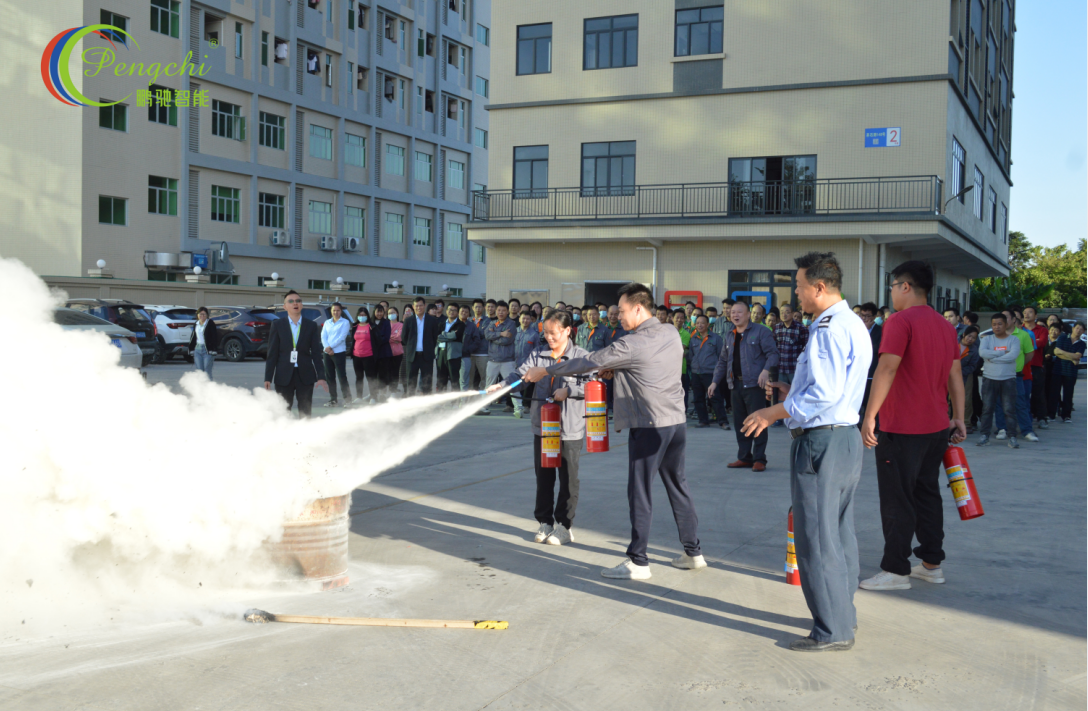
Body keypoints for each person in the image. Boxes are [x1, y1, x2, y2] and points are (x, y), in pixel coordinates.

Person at [521, 282, 704, 580]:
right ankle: (693, 552)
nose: (616, 315)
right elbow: (650, 365)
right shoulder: (670, 331)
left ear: (638, 308)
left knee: (640, 492)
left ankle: (638, 561)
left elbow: (589, 361)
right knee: (678, 486)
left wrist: (547, 370)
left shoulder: (630, 344)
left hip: (649, 426)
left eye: (621, 310)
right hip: (676, 423)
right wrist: (620, 369)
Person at [740, 251, 871, 652]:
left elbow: (824, 394)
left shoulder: (828, 328)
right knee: (839, 532)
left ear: (819, 287)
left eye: (798, 286)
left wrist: (773, 412)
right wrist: (791, 392)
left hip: (821, 442)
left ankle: (832, 630)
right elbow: (830, 388)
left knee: (816, 536)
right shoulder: (851, 323)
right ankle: (842, 613)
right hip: (844, 437)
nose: (795, 294)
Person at [859, 261, 965, 592]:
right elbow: (955, 375)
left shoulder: (899, 321)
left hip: (902, 427)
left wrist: (870, 415)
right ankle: (932, 564)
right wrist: (959, 416)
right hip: (936, 426)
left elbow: (887, 369)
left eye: (892, 286)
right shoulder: (945, 326)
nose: (891, 292)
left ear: (905, 286)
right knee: (927, 494)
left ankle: (895, 570)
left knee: (897, 499)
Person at [489, 310, 588, 546]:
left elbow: (593, 384)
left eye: (554, 333)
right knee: (544, 476)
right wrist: (503, 386)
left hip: (570, 428)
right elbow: (521, 375)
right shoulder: (538, 354)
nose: (549, 338)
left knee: (568, 479)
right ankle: (545, 522)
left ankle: (564, 526)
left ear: (567, 331)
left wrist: (569, 391)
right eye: (546, 333)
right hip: (543, 426)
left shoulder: (582, 357)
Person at [708, 301, 780, 472]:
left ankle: (759, 459)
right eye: (733, 312)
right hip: (735, 384)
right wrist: (714, 382)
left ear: (748, 314)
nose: (735, 315)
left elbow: (773, 354)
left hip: (755, 385)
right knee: (740, 423)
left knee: (758, 421)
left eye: (739, 312)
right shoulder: (730, 335)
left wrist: (765, 371)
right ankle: (744, 457)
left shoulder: (761, 331)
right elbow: (723, 361)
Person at [264, 291, 328, 417]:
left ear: (301, 305)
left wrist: (321, 376)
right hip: (283, 375)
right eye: (291, 301)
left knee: (305, 411)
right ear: (285, 306)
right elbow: (272, 353)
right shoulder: (277, 325)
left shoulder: (311, 325)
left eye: (298, 301)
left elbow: (316, 353)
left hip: (305, 375)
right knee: (283, 412)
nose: (295, 304)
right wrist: (268, 377)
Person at [976, 314, 1021, 447]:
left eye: (1000, 324)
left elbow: (1012, 356)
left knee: (1009, 410)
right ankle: (984, 436)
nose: (997, 327)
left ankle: (1012, 437)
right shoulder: (987, 339)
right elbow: (982, 353)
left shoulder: (1014, 340)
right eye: (994, 324)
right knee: (987, 409)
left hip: (1008, 379)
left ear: (1006, 324)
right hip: (989, 378)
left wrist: (993, 358)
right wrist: (1002, 353)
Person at [993, 307, 1037, 442]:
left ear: (1013, 319)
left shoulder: (1024, 335)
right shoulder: (995, 335)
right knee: (999, 403)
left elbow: (1029, 354)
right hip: (998, 374)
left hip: (1015, 374)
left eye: (1006, 317)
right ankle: (1002, 429)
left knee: (1020, 403)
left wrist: (1019, 364)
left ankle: (1027, 431)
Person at [687, 315, 729, 429]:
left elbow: (721, 356)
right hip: (696, 373)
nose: (699, 325)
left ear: (708, 325)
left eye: (702, 323)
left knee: (715, 398)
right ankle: (703, 420)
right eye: (697, 323)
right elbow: (691, 355)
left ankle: (723, 421)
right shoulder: (693, 338)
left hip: (710, 373)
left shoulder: (716, 338)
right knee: (698, 398)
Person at [773, 303, 810, 426]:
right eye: (782, 312)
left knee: (796, 392)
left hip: (795, 368)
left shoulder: (800, 328)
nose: (784, 314)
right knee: (780, 393)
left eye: (787, 312)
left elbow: (807, 347)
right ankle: (779, 418)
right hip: (780, 367)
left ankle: (795, 416)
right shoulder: (777, 328)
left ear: (793, 314)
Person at [482, 301, 518, 414]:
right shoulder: (492, 323)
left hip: (507, 361)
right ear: (496, 311)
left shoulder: (511, 324)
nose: (501, 312)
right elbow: (487, 335)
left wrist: (494, 336)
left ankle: (519, 408)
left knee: (512, 385)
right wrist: (501, 333)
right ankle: (483, 407)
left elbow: (506, 341)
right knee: (489, 385)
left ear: (507, 312)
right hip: (493, 360)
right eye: (499, 310)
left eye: (503, 310)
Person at [402, 297, 442, 395]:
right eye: (416, 306)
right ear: (413, 307)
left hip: (426, 356)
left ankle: (426, 402)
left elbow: (434, 337)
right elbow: (404, 338)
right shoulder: (408, 320)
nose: (419, 308)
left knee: (427, 382)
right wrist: (412, 347)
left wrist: (429, 348)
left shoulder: (432, 320)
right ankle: (410, 401)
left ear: (425, 306)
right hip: (412, 356)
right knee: (411, 382)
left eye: (421, 305)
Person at [1021, 306, 1051, 428]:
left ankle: (1042, 418)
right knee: (1022, 393)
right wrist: (1034, 341)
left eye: (1030, 312)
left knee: (1038, 392)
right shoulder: (1019, 329)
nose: (1027, 314)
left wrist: (1026, 343)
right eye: (1025, 312)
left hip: (1036, 365)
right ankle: (1024, 418)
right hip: (1022, 365)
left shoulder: (1042, 330)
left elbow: (1042, 342)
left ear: (1036, 315)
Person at [1053, 322, 1085, 422]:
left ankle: (1066, 415)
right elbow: (1056, 352)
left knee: (1068, 394)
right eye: (1077, 328)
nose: (1078, 331)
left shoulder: (1082, 344)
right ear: (1073, 328)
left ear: (1083, 331)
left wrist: (1062, 353)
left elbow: (1077, 356)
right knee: (1054, 393)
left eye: (1081, 329)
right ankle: (1051, 414)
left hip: (1071, 371)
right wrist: (1071, 358)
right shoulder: (1063, 337)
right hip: (1058, 369)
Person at [320, 303, 352, 407]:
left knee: (342, 376)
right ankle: (333, 399)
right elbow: (323, 336)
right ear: (331, 311)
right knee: (330, 377)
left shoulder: (345, 322)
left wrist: (330, 347)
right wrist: (327, 348)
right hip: (327, 353)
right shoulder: (327, 322)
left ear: (341, 311)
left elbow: (342, 337)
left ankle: (348, 399)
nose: (336, 312)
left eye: (338, 310)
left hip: (338, 353)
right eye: (334, 310)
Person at [510, 311, 541, 417]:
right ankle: (511, 405)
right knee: (513, 383)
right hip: (512, 362)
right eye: (523, 318)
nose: (525, 321)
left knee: (527, 385)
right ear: (519, 319)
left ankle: (526, 405)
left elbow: (537, 350)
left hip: (527, 364)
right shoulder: (514, 331)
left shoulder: (534, 334)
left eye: (528, 319)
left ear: (531, 320)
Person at [857, 303, 882, 414]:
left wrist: (866, 331)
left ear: (874, 317)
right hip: (859, 373)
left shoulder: (880, 330)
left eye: (868, 316)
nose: (864, 318)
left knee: (869, 404)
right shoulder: (857, 329)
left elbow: (876, 348)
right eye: (862, 315)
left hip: (872, 373)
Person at [462, 299, 491, 396]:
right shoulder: (468, 320)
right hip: (469, 354)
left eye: (480, 307)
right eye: (476, 307)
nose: (478, 309)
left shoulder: (487, 321)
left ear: (483, 308)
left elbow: (485, 334)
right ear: (472, 308)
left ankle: (484, 398)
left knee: (484, 377)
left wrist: (472, 333)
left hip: (483, 353)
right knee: (469, 378)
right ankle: (469, 398)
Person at [435, 302, 466, 393]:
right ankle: (441, 398)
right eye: (450, 310)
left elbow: (455, 336)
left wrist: (443, 334)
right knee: (441, 379)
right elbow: (437, 337)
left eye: (454, 310)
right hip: (441, 353)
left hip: (453, 355)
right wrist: (449, 335)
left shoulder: (460, 324)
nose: (451, 312)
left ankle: (455, 400)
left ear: (458, 312)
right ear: (446, 311)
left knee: (454, 379)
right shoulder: (441, 323)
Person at [603, 306, 627, 416]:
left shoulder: (624, 329)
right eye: (611, 314)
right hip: (606, 363)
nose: (613, 316)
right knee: (606, 388)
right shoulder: (603, 328)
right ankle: (607, 409)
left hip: (619, 363)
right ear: (607, 314)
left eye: (616, 314)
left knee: (618, 388)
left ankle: (617, 410)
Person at [351, 306, 378, 404]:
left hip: (368, 356)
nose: (362, 317)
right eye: (360, 315)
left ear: (367, 316)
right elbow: (353, 340)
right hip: (356, 356)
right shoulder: (355, 326)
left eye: (364, 315)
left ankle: (373, 397)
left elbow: (378, 340)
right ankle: (359, 397)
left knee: (370, 377)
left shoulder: (372, 326)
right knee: (359, 377)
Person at [958, 326, 981, 433]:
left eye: (973, 338)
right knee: (948, 399)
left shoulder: (974, 350)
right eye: (969, 336)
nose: (970, 339)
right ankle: (947, 421)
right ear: (964, 334)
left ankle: (966, 423)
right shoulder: (953, 343)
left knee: (966, 400)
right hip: (949, 374)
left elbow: (973, 366)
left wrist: (960, 372)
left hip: (966, 375)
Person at [188, 306, 219, 379]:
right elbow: (193, 336)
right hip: (197, 349)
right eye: (200, 314)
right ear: (197, 315)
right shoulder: (196, 323)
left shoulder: (210, 323)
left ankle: (209, 386)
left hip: (207, 350)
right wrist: (191, 348)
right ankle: (201, 386)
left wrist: (214, 349)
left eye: (204, 314)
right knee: (200, 372)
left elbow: (214, 336)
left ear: (207, 315)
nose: (202, 316)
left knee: (207, 372)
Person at [673, 310, 693, 417]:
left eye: (681, 318)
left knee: (682, 392)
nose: (679, 320)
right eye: (677, 317)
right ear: (672, 318)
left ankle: (683, 412)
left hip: (681, 368)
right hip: (667, 369)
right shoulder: (666, 332)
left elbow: (680, 351)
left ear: (684, 320)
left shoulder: (685, 334)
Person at [386, 306, 404, 396]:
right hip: (386, 352)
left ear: (397, 313)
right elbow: (384, 337)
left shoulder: (401, 325)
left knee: (395, 372)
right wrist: (393, 338)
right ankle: (387, 390)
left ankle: (393, 391)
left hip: (397, 353)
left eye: (393, 312)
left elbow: (400, 337)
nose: (391, 314)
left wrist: (389, 337)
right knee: (387, 372)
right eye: (389, 313)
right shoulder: (386, 324)